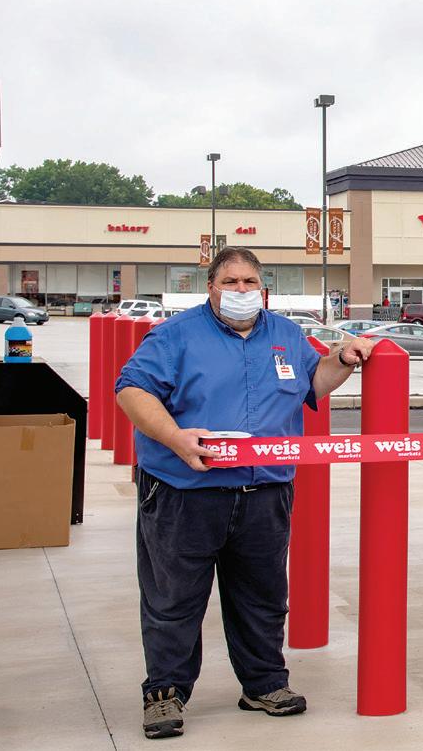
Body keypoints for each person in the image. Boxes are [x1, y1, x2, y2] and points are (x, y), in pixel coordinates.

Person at [116, 247, 375, 740]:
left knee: (263, 596)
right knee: (173, 599)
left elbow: (312, 384)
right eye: (230, 281)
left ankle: (264, 684)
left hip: (264, 492)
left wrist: (342, 360)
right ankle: (165, 694)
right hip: (184, 492)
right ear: (210, 287)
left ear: (263, 288)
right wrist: (175, 438)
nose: (240, 290)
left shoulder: (286, 335)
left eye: (249, 282)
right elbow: (132, 390)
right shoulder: (174, 336)